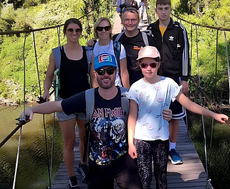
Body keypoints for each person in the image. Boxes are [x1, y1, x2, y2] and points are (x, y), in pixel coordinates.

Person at [20, 53, 172, 189]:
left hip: (123, 161)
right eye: (101, 71)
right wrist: (32, 110)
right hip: (97, 164)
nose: (106, 75)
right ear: (95, 74)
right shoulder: (87, 97)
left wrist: (168, 114)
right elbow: (58, 105)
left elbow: (150, 109)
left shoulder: (127, 95)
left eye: (110, 71)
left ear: (116, 73)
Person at [127, 46, 228, 189]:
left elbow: (189, 104)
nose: (148, 68)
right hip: (141, 139)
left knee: (162, 177)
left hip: (161, 138)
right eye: (144, 65)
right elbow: (132, 117)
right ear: (140, 65)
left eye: (153, 64)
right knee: (145, 178)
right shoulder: (135, 87)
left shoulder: (168, 84)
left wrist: (213, 114)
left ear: (158, 64)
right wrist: (131, 143)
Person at [42, 18, 93, 189]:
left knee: (85, 138)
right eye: (70, 30)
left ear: (81, 32)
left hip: (85, 101)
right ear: (64, 32)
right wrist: (45, 94)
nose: (74, 33)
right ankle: (71, 177)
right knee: (69, 142)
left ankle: (83, 165)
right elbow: (49, 76)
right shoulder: (57, 53)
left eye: (77, 30)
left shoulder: (88, 53)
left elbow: (93, 79)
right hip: (64, 103)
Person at [147, 0, 190, 165]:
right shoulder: (150, 29)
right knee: (155, 111)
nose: (163, 12)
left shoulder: (180, 29)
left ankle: (172, 148)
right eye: (160, 8)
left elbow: (185, 54)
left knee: (175, 115)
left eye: (166, 8)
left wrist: (185, 79)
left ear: (170, 9)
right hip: (155, 77)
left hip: (174, 77)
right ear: (155, 10)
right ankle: (157, 147)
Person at [113, 7, 156, 85]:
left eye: (133, 20)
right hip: (121, 84)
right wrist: (91, 43)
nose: (130, 22)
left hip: (143, 83)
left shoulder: (147, 39)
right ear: (122, 21)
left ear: (139, 20)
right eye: (126, 20)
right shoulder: (116, 39)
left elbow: (156, 62)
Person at [90, 17, 130, 89]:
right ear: (96, 31)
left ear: (110, 29)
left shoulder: (118, 47)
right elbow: (93, 74)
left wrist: (127, 93)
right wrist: (95, 93)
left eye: (106, 28)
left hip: (117, 88)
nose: (103, 31)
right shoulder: (94, 47)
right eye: (100, 28)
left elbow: (124, 73)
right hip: (100, 90)